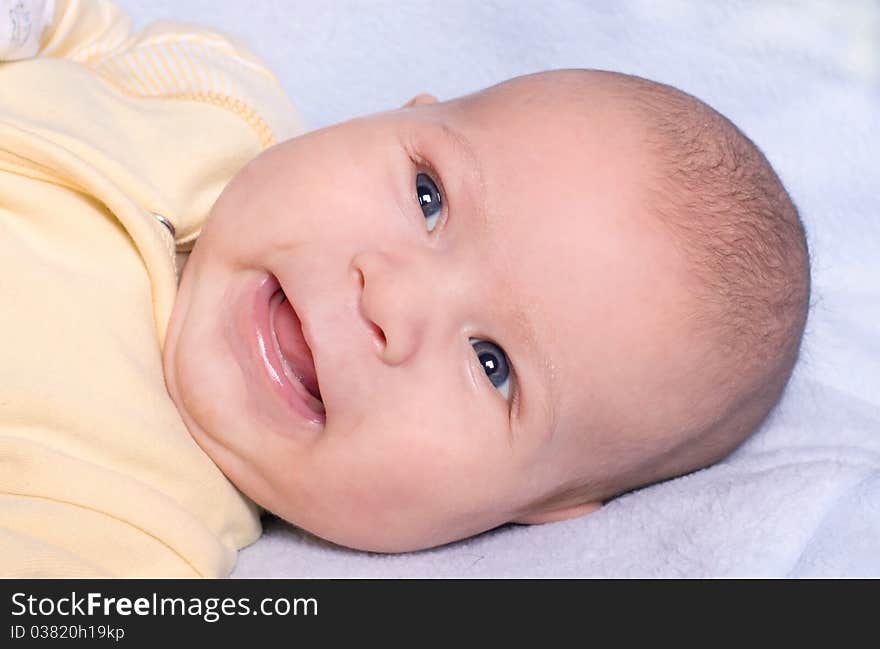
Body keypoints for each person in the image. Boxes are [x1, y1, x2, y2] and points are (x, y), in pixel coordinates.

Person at [1, 0, 811, 577]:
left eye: (493, 364)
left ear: (533, 510)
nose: (391, 303)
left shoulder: (128, 535)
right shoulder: (212, 99)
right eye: (430, 196)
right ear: (397, 113)